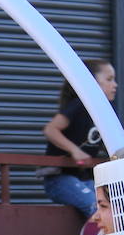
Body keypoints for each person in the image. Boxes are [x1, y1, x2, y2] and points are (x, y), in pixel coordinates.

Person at [40, 59, 117, 217]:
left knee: (115, 208)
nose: (115, 85)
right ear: (91, 82)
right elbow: (51, 129)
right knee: (97, 208)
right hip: (59, 179)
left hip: (84, 178)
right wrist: (75, 150)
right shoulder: (79, 105)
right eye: (109, 79)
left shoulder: (106, 112)